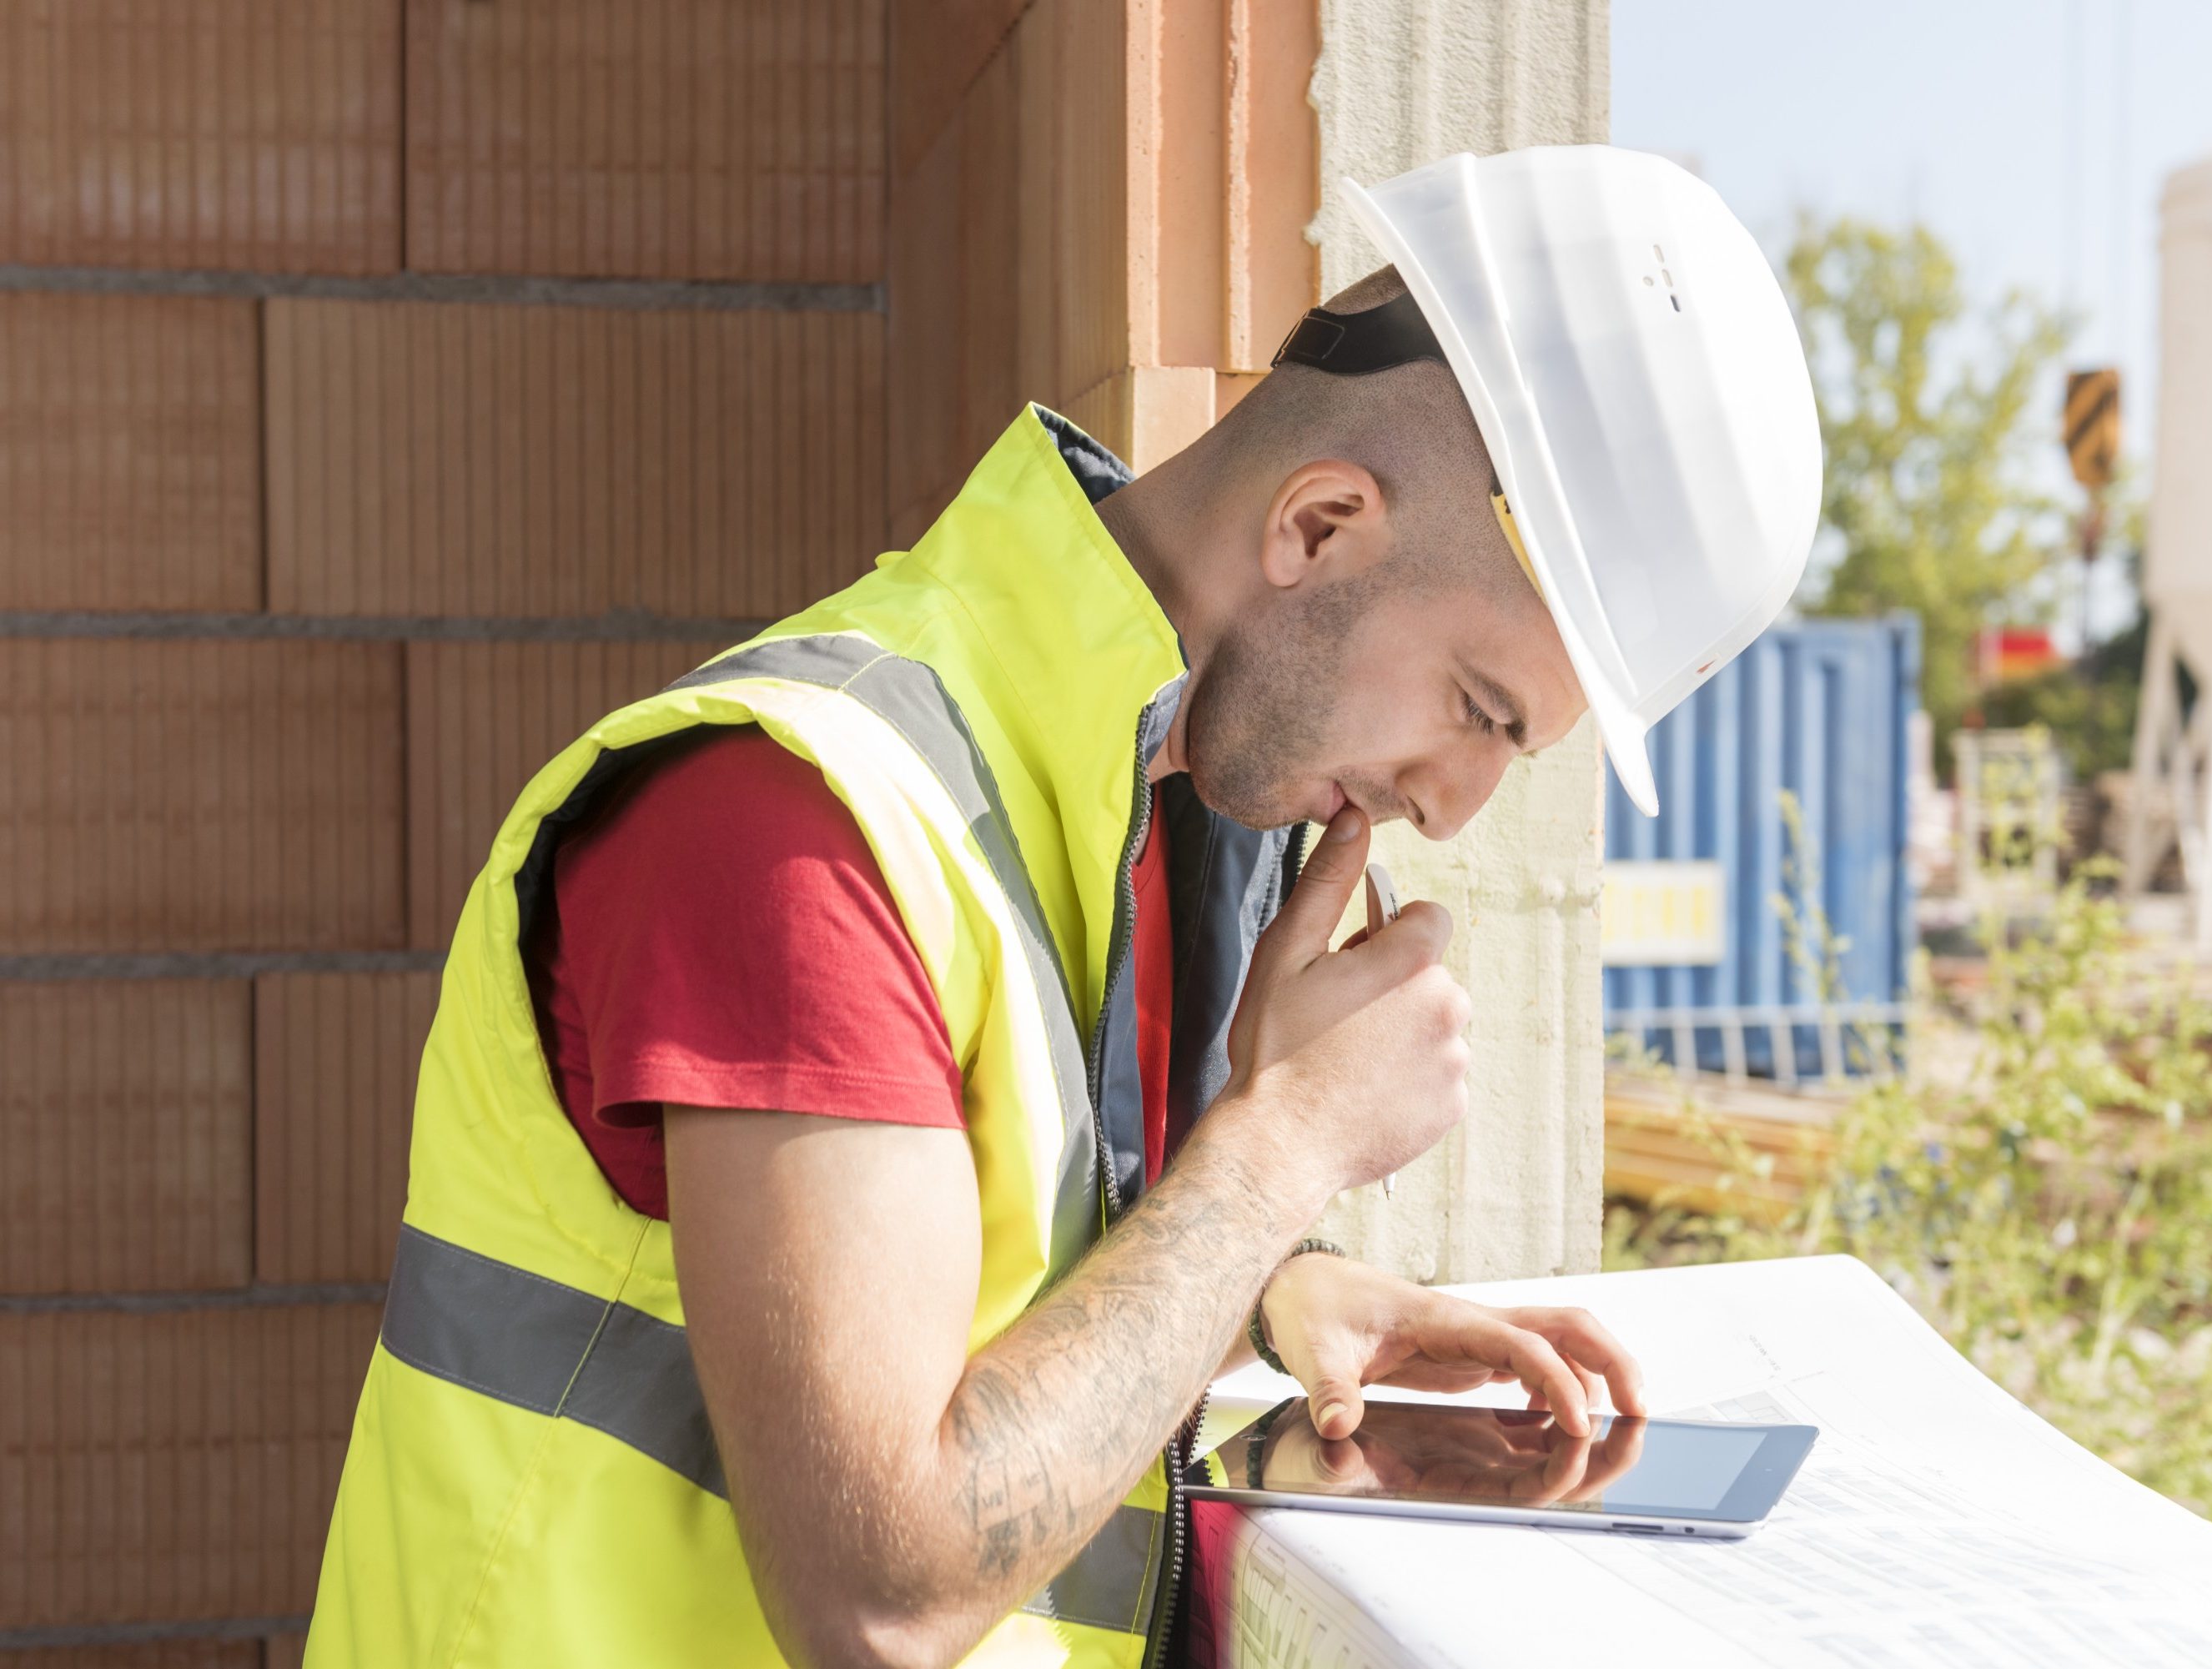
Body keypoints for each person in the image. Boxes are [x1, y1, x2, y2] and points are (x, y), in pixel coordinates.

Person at [306, 147, 1819, 1669]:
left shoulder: (1169, 811)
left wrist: (1273, 1297)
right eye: (1481, 709)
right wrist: (1279, 1149)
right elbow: (880, 1588)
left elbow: (986, 1309)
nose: (1456, 800)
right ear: (1320, 526)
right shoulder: (798, 820)